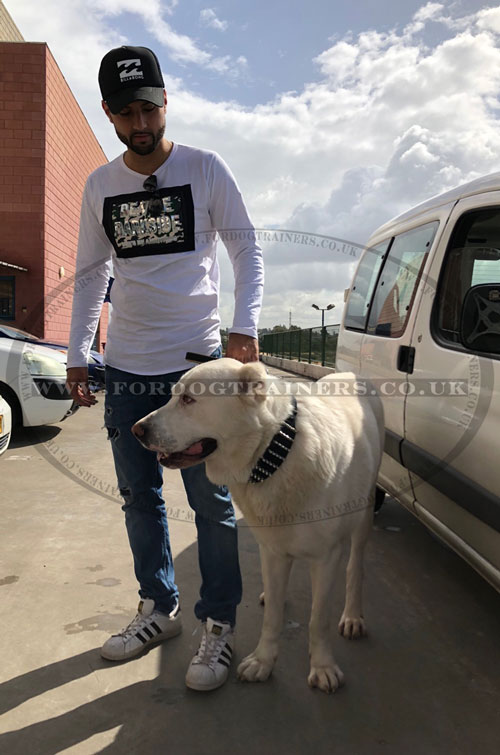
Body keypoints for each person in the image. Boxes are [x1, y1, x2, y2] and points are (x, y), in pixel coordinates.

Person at [66, 45, 264, 692]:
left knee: (212, 502)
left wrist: (245, 325)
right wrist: (77, 354)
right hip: (126, 369)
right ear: (109, 115)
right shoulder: (100, 184)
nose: (140, 121)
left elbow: (246, 249)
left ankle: (219, 623)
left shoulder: (206, 170)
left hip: (197, 368)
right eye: (126, 112)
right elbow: (93, 275)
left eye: (148, 106)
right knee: (138, 497)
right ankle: (159, 608)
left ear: (165, 101)